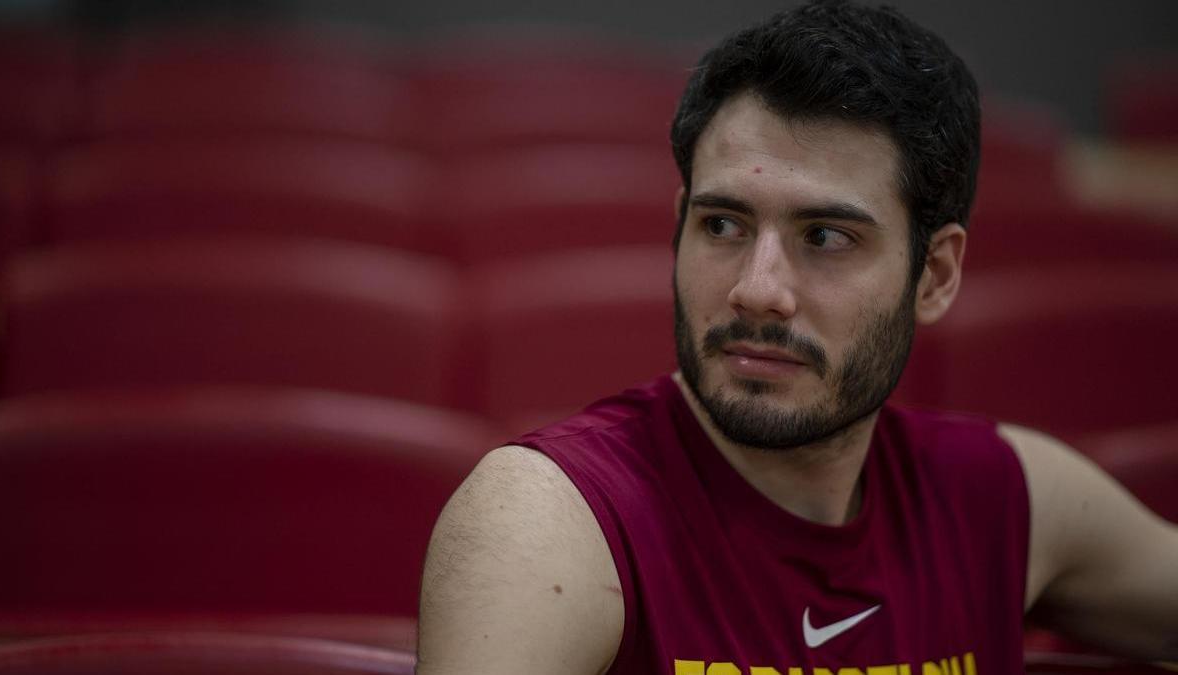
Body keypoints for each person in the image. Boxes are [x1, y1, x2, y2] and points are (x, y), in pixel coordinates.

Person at [415, 2, 1178, 673]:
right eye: (723, 224)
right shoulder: (549, 519)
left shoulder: (1008, 495)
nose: (758, 289)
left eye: (825, 237)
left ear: (936, 273)